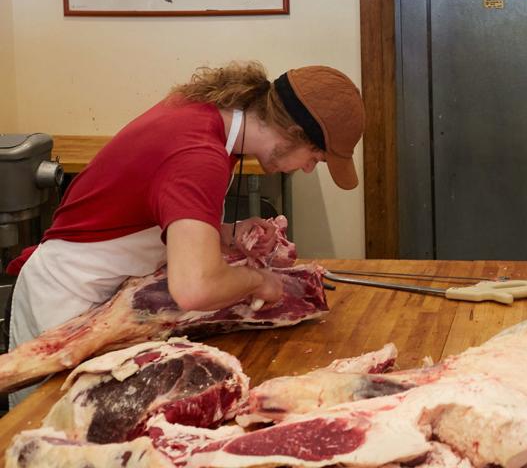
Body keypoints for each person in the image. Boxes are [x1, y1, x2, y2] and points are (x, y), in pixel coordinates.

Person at [6, 61, 365, 355]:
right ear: (294, 132)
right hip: (65, 304)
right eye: (315, 158)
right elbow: (195, 288)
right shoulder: (199, 154)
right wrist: (261, 281)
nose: (306, 169)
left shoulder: (210, 115)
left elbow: (153, 212)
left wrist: (228, 232)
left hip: (100, 294)